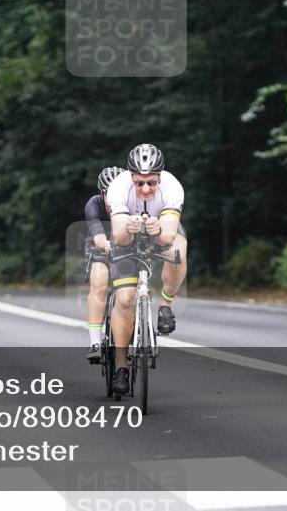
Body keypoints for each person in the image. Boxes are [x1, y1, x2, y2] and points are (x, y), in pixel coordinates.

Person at [105, 143, 188, 396]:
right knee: (125, 299)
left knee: (178, 250)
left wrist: (157, 229)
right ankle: (121, 367)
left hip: (161, 229)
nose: (145, 189)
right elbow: (119, 238)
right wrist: (129, 227)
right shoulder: (118, 187)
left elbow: (168, 236)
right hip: (127, 235)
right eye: (139, 183)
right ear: (131, 176)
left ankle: (166, 305)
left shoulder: (172, 186)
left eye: (152, 182)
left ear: (160, 177)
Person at [83, 166, 124, 364]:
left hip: (128, 246)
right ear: (102, 193)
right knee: (99, 284)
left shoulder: (133, 203)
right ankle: (95, 342)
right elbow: (99, 240)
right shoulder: (94, 204)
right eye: (109, 193)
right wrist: (110, 247)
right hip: (101, 246)